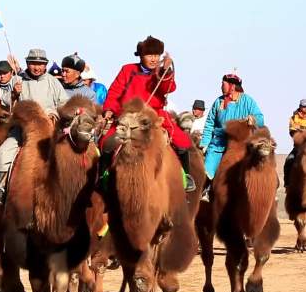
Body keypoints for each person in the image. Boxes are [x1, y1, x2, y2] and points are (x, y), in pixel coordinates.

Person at [102, 36, 196, 192]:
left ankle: (185, 175)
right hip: (128, 115)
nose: (154, 59)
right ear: (141, 55)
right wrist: (110, 109)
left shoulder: (161, 73)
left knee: (182, 141)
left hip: (154, 115)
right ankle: (102, 176)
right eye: (150, 55)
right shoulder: (128, 70)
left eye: (157, 55)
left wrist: (166, 71)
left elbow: (169, 88)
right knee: (107, 142)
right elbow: (115, 91)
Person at [0, 48, 69, 204]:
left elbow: (63, 104)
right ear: (27, 64)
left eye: (40, 64)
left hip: (48, 127)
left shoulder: (53, 81)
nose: (36, 67)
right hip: (22, 127)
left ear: (45, 65)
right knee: (3, 152)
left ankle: (64, 190)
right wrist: (14, 93)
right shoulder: (18, 80)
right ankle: (0, 189)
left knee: (64, 154)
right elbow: (4, 104)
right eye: (33, 63)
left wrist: (55, 115)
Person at [199, 74, 265, 201]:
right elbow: (209, 123)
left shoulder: (247, 101)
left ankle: (262, 191)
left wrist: (253, 119)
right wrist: (205, 142)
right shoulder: (218, 102)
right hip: (219, 142)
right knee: (207, 169)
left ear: (232, 86)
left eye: (223, 84)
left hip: (241, 142)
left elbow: (260, 118)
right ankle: (206, 190)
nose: (221, 86)